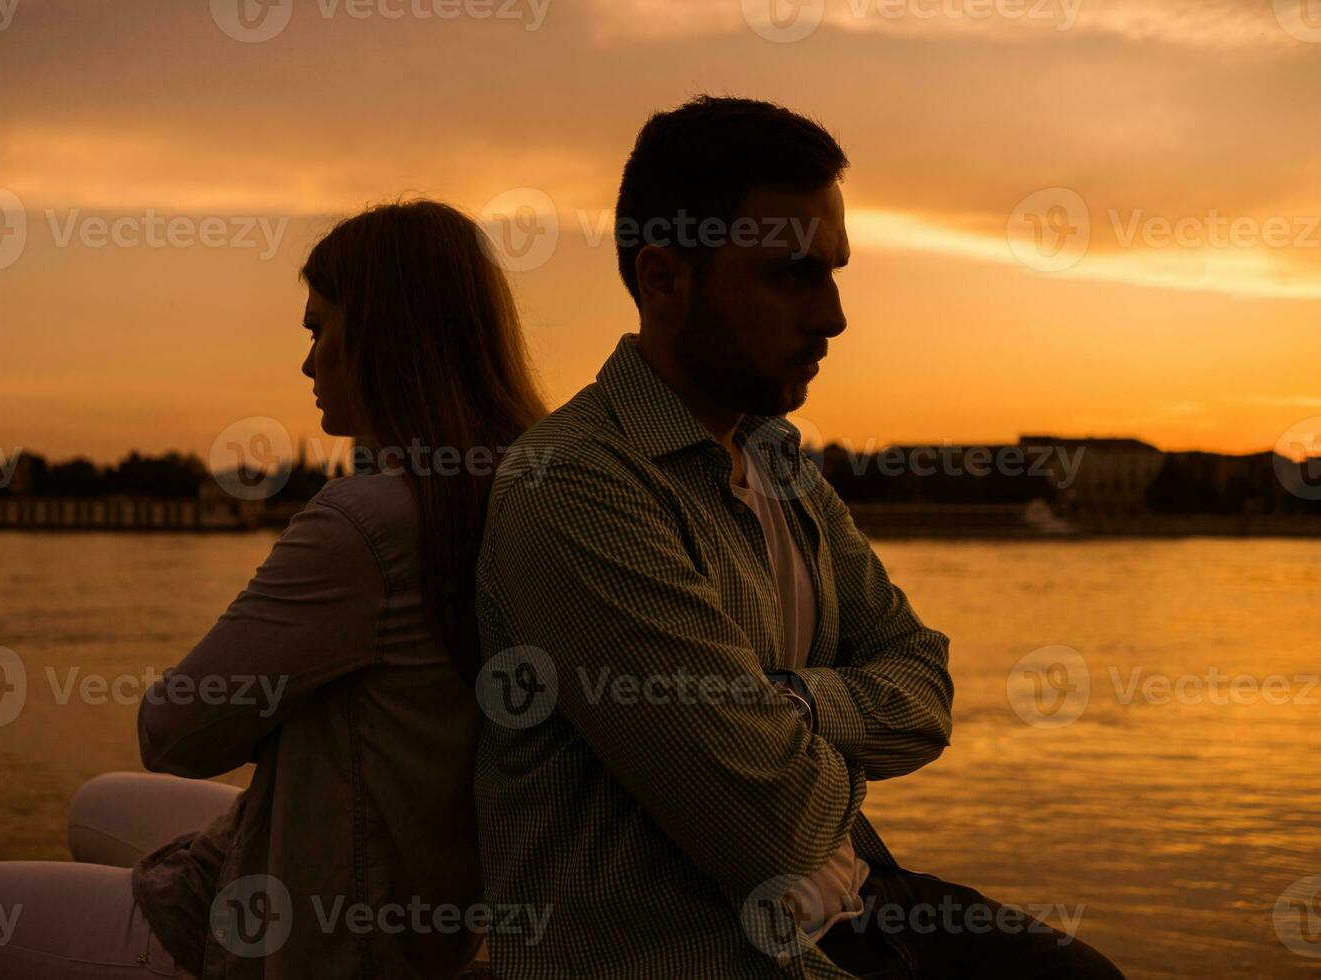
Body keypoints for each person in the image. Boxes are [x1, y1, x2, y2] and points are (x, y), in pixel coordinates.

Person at [472, 95, 1125, 978]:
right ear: (664, 279)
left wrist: (799, 707)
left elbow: (925, 679)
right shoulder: (577, 486)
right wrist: (819, 728)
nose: (833, 316)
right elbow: (773, 827)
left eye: (834, 270)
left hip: (852, 904)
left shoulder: (780, 462)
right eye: (790, 275)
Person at [0, 198, 549, 980]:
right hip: (417, 904)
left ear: (386, 337)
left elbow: (175, 731)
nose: (308, 362)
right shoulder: (521, 490)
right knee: (98, 804)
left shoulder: (366, 520)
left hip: (281, 937)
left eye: (320, 329)